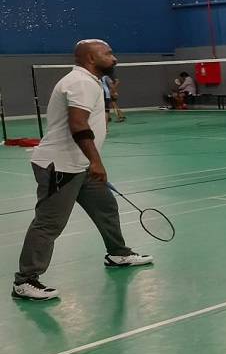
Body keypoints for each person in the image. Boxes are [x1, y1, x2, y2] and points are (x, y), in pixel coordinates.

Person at [12, 39, 154, 301]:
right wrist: (96, 161)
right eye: (108, 53)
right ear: (90, 57)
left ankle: (118, 253)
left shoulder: (91, 81)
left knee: (105, 206)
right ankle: (25, 281)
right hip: (60, 166)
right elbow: (78, 124)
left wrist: (89, 162)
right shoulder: (81, 82)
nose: (114, 58)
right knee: (49, 223)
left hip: (79, 165)